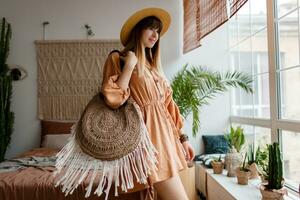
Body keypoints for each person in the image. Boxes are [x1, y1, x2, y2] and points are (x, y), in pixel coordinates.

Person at [101, 7, 195, 200]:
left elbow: (169, 106)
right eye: (150, 28)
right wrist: (129, 66)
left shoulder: (153, 68)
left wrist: (184, 138)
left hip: (166, 141)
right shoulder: (118, 59)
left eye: (158, 30)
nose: (155, 34)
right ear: (138, 31)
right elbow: (113, 99)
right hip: (145, 144)